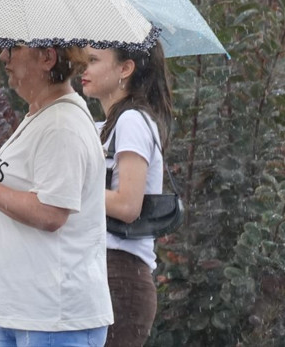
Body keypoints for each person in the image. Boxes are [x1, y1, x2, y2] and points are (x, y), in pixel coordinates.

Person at [0, 43, 113, 347]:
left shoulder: (62, 125)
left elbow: (51, 213)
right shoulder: (43, 116)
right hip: (24, 316)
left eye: (13, 48)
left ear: (47, 58)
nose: (3, 56)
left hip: (54, 320)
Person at [80, 42, 173, 347]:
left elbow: (128, 204)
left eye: (93, 60)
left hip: (119, 275)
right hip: (99, 271)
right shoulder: (103, 126)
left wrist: (70, 192)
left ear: (125, 68)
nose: (83, 68)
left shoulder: (132, 120)